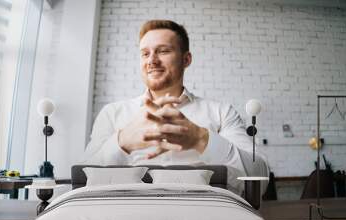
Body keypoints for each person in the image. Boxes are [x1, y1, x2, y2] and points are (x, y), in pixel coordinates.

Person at [81, 20, 268, 194]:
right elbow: (81, 179)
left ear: (186, 59)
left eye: (163, 51)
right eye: (145, 53)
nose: (151, 61)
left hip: (204, 213)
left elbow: (259, 181)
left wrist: (200, 139)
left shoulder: (221, 113)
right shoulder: (112, 114)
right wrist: (121, 142)